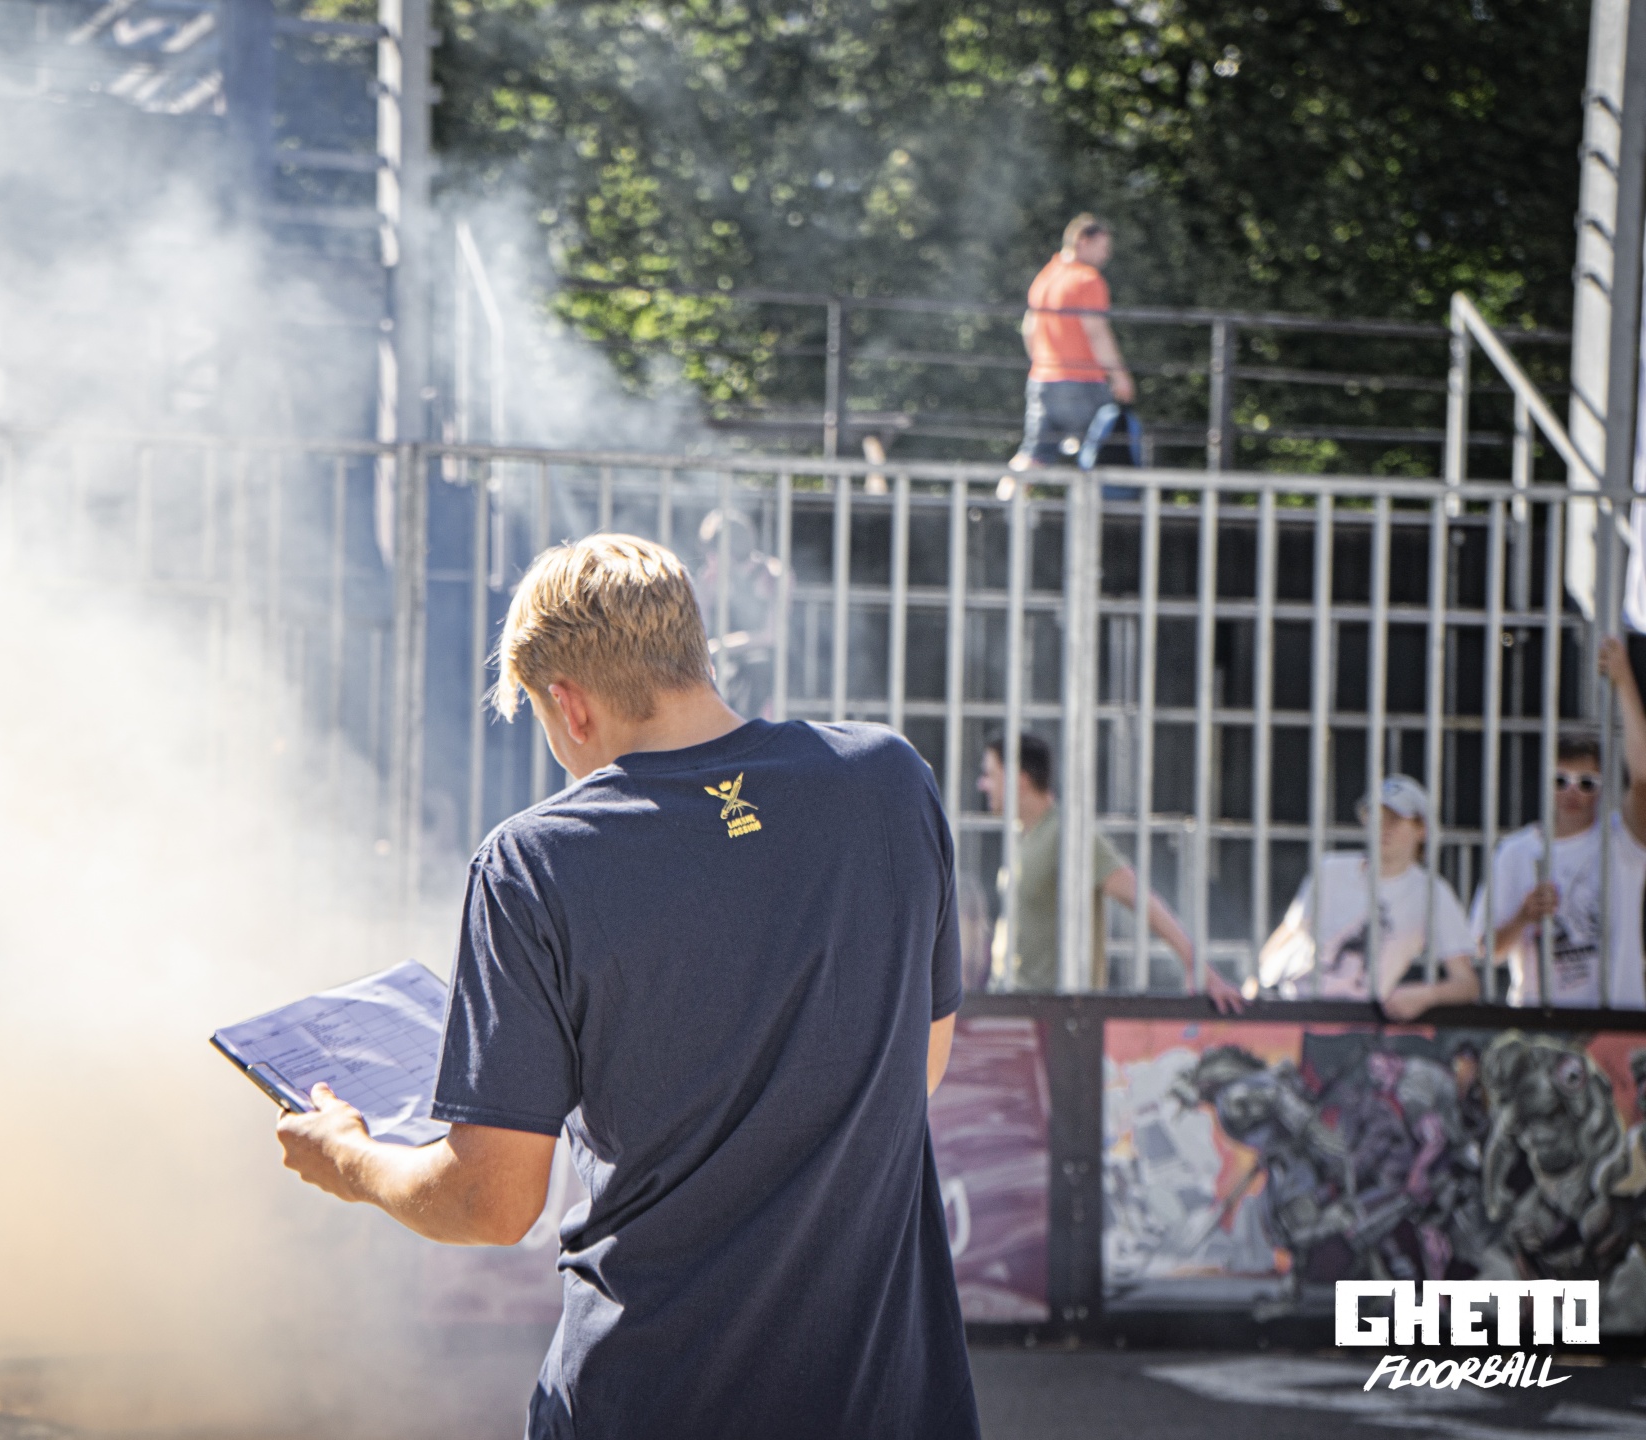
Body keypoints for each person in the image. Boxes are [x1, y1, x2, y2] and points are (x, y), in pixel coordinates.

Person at [274, 534, 979, 1440]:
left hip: (652, 1398)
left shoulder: (532, 864)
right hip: (891, 1405)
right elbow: (920, 1067)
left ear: (569, 704)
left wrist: (349, 1160)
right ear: (694, 651)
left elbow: (492, 1203)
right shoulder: (890, 781)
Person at [979, 731, 1243, 1010]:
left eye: (990, 775)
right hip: (1014, 1007)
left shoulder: (1066, 834)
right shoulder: (1024, 836)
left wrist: (1198, 968)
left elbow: (1139, 896)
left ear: (1020, 779)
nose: (982, 784)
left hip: (1053, 1015)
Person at [1475, 639, 1646, 1008]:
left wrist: (1624, 680)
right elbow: (1485, 949)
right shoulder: (1515, 851)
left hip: (1617, 1018)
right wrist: (1524, 917)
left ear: (1602, 788)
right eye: (1560, 780)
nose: (1572, 792)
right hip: (1542, 1021)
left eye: (1586, 782)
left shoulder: (1622, 841)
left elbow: (1643, 780)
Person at [1255, 774, 1481, 1021]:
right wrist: (1254, 984)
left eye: (1395, 819)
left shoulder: (1432, 893)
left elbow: (1467, 984)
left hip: (1360, 1023)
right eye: (1375, 817)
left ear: (1422, 830)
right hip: (1291, 1008)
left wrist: (1426, 995)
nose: (1383, 828)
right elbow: (1289, 932)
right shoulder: (1330, 869)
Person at [1009, 213, 1134, 472]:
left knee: (1032, 456)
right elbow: (1096, 332)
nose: (1106, 255)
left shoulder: (1045, 277)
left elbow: (1029, 329)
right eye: (1102, 247)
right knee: (1105, 452)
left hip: (1043, 380)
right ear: (1082, 241)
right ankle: (1097, 500)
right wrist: (1120, 376)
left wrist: (1042, 365)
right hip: (1083, 382)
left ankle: (1002, 496)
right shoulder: (1088, 279)